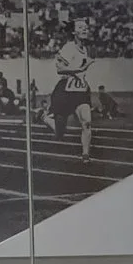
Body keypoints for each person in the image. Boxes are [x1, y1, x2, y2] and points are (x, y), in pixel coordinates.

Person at [45, 19, 95, 160]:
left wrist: (81, 74)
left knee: (87, 122)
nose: (85, 30)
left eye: (86, 27)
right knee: (60, 134)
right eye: (81, 27)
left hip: (80, 90)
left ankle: (85, 155)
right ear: (74, 32)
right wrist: (78, 70)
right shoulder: (69, 48)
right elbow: (60, 69)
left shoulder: (86, 49)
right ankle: (45, 118)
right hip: (65, 91)